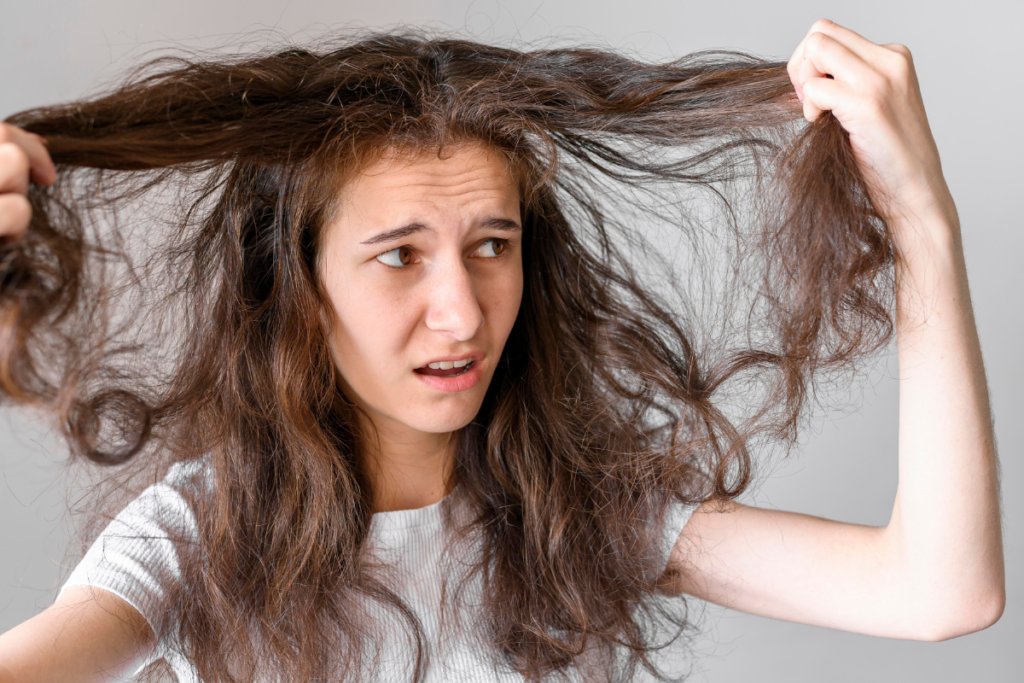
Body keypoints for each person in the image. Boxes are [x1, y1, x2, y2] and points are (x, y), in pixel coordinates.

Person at [0, 18, 1004, 683]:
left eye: (492, 246)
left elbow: (936, 590)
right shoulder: (191, 541)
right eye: (399, 256)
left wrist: (921, 221)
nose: (463, 313)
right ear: (298, 293)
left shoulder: (579, 511)